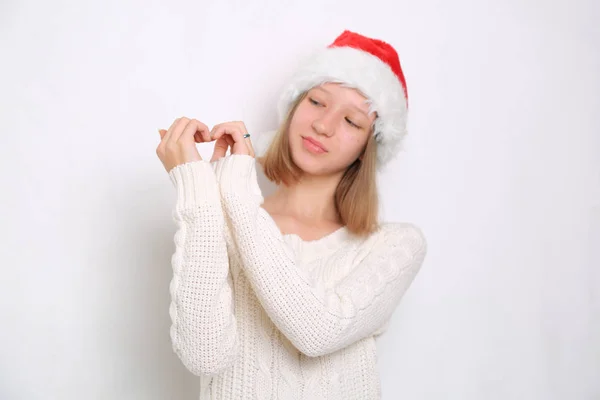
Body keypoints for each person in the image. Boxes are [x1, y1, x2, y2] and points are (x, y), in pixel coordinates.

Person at [156, 30, 427, 400]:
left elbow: (317, 332)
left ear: (368, 147)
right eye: (317, 101)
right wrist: (199, 191)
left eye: (351, 122)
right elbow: (205, 356)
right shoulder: (223, 224)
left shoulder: (395, 246)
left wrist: (234, 190)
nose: (323, 125)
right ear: (295, 107)